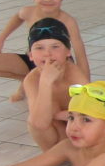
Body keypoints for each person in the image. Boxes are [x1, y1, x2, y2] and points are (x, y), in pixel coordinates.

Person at [0, 0, 90, 99]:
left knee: (60, 97)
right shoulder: (28, 12)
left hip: (59, 65)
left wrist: (86, 89)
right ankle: (29, 83)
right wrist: (0, 39)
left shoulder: (68, 21)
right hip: (34, 61)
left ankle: (43, 86)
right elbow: (17, 17)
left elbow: (81, 55)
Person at [22, 17, 90, 149]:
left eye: (55, 47)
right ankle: (52, 152)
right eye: (39, 48)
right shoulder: (32, 80)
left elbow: (90, 110)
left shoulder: (74, 73)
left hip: (80, 130)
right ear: (30, 55)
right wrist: (45, 82)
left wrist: (58, 114)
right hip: (55, 137)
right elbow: (39, 124)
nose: (47, 53)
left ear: (68, 52)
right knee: (33, 120)